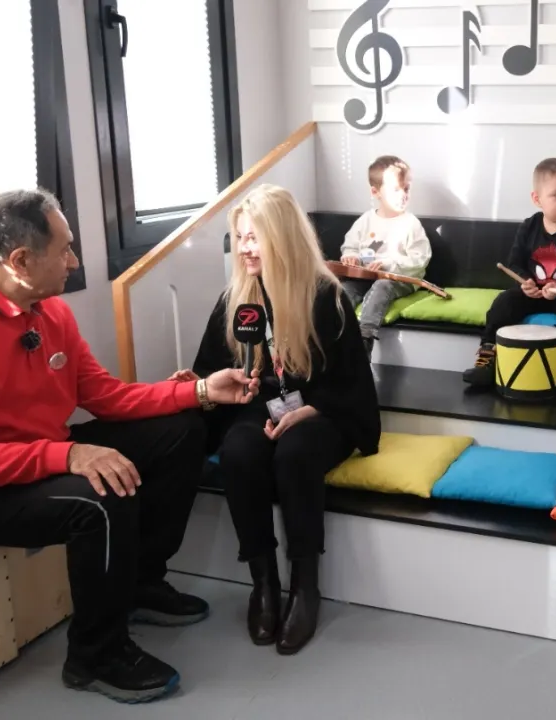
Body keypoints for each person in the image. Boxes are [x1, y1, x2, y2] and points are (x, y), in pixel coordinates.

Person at [0, 189, 260, 704]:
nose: (74, 261)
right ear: (21, 261)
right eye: (64, 249)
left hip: (39, 457)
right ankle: (95, 656)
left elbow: (105, 396)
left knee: (181, 431)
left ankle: (139, 584)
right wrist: (69, 455)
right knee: (102, 497)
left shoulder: (49, 312)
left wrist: (199, 392)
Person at [191, 184, 379, 655]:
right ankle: (264, 583)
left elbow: (352, 384)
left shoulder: (326, 297)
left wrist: (310, 411)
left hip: (323, 408)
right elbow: (210, 370)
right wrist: (203, 385)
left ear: (283, 237)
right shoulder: (236, 299)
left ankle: (305, 585)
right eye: (241, 237)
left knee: (295, 453)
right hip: (262, 406)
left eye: (256, 237)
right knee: (238, 451)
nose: (245, 248)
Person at [462, 157, 556, 397]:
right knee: (504, 302)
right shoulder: (529, 226)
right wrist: (525, 282)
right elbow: (514, 263)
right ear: (537, 199)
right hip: (533, 293)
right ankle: (488, 356)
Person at [339, 155, 432, 357]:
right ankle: (336, 337)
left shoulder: (410, 223)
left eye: (406, 189)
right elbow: (350, 246)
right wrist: (351, 256)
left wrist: (388, 264)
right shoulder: (365, 220)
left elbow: (420, 260)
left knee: (382, 286)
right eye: (396, 190)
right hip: (366, 277)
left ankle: (365, 338)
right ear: (375, 192)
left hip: (399, 279)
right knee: (344, 290)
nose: (403, 195)